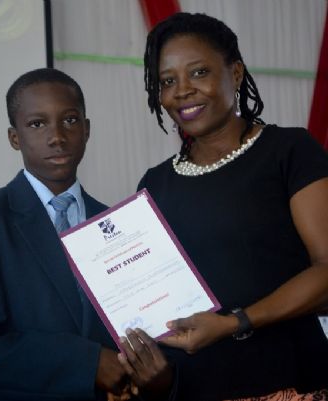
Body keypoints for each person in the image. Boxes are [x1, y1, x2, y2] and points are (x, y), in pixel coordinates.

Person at [117, 12, 328, 401]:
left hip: (289, 380)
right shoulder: (154, 184)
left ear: (235, 72)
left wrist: (234, 323)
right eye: (167, 81)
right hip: (196, 389)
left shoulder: (289, 152)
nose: (182, 91)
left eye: (198, 73)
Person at [0, 68, 140, 401]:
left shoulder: (119, 223)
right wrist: (88, 364)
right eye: (37, 124)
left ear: (87, 130)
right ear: (14, 137)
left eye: (70, 120)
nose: (57, 137)